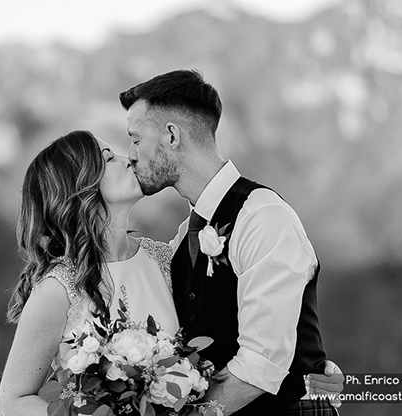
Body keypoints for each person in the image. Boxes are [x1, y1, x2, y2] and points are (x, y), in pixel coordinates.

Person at [0, 130, 342, 416]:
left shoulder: (166, 258)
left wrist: (312, 376)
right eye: (107, 158)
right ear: (80, 188)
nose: (126, 158)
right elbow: (12, 401)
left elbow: (241, 326)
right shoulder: (58, 290)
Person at [120, 69, 341, 415]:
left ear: (172, 136)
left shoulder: (262, 217)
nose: (130, 154)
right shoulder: (183, 238)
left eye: (135, 139)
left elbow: (262, 363)